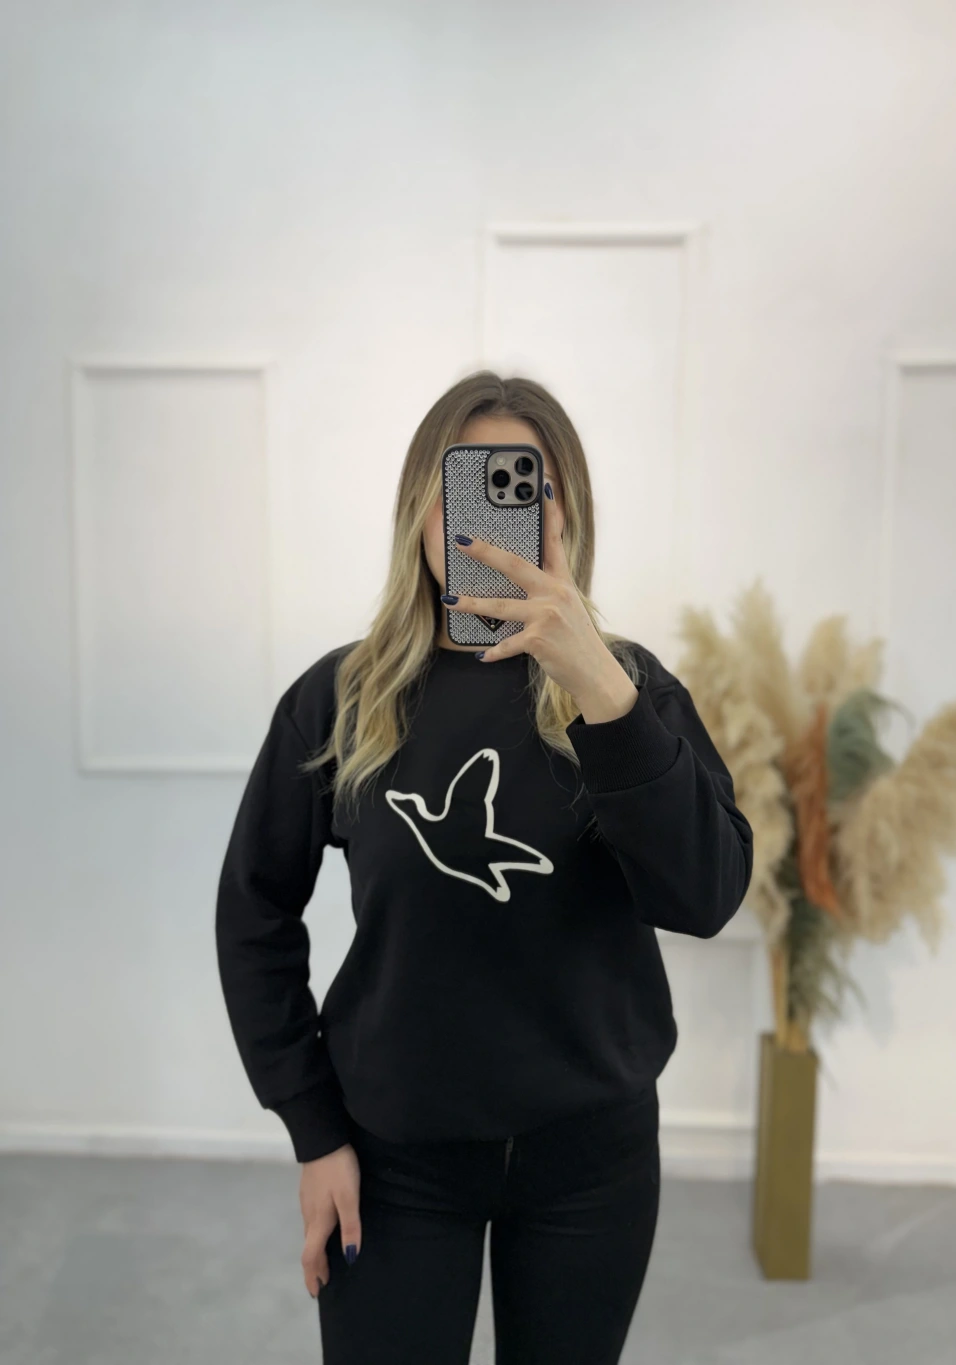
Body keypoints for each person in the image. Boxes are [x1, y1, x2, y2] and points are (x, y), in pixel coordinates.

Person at [215, 370, 754, 1365]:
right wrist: (312, 1129)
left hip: (591, 1160)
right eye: (464, 487)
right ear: (419, 510)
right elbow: (253, 916)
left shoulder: (630, 690)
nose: (489, 520)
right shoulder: (341, 698)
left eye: (524, 489)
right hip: (392, 1158)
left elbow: (708, 895)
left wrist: (601, 693)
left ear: (566, 516)